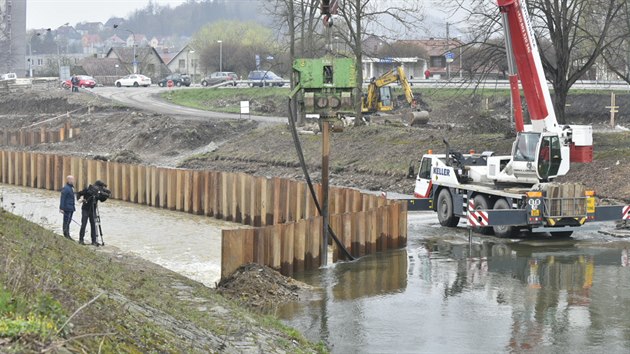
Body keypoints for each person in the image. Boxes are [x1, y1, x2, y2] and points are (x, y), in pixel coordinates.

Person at [77, 180, 108, 245]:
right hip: (85, 209)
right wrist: (79, 199)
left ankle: (94, 241)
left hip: (93, 210)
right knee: (84, 224)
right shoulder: (88, 189)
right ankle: (81, 240)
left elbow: (102, 200)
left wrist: (106, 196)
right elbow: (79, 193)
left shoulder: (98, 192)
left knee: (93, 225)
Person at [59, 175, 75, 240]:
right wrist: (61, 208)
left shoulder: (71, 188)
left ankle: (67, 234)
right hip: (67, 208)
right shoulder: (66, 188)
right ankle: (66, 235)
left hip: (71, 208)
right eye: (72, 180)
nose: (73, 181)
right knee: (66, 221)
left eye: (73, 179)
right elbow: (62, 198)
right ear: (68, 180)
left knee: (69, 221)